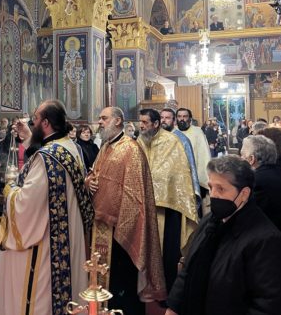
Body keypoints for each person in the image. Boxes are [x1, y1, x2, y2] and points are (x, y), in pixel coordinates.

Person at [0, 100, 93, 315]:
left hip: (47, 241)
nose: (32, 122)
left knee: (40, 295)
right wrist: (29, 137)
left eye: (35, 119)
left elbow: (26, 202)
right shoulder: (71, 147)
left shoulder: (48, 158)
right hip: (69, 235)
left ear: (45, 123)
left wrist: (10, 189)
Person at [166, 156, 281, 315]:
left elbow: (271, 305)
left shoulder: (267, 241)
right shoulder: (209, 222)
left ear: (244, 194)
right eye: (211, 187)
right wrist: (173, 308)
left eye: (221, 189)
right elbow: (189, 268)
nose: (213, 195)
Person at [86, 106, 166, 313]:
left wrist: (124, 219)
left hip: (121, 226)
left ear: (117, 121)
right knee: (105, 276)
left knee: (122, 281)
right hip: (101, 225)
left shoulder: (131, 149)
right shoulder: (106, 146)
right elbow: (95, 173)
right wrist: (88, 182)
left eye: (104, 118)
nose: (100, 122)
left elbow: (135, 192)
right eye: (100, 118)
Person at [138, 109, 198, 292]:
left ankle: (167, 292)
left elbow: (178, 172)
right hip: (143, 207)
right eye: (140, 122)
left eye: (145, 122)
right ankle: (146, 287)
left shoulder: (172, 141)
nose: (141, 126)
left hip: (168, 206)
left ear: (156, 124)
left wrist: (152, 185)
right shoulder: (139, 141)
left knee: (168, 252)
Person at [241, 134, 281, 269]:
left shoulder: (259, 182)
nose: (241, 159)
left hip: (272, 256)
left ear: (251, 159)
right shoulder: (278, 173)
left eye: (242, 155)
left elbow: (250, 221)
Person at [160, 108, 202, 214]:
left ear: (174, 121)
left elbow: (190, 166)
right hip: (159, 187)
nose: (164, 120)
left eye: (167, 118)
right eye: (162, 117)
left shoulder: (182, 140)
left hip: (177, 188)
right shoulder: (156, 137)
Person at [176, 108, 211, 212]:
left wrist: (204, 177)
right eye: (179, 116)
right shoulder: (173, 132)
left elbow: (203, 154)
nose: (182, 119)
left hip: (193, 177)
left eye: (185, 116)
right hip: (177, 178)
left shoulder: (197, 132)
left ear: (190, 119)